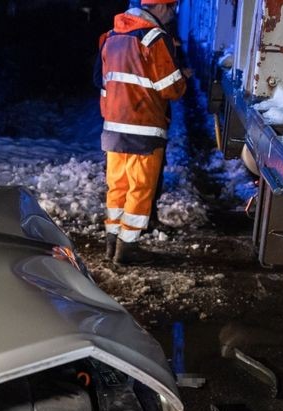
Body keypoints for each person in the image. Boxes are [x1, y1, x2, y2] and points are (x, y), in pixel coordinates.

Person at [95, 0, 186, 264]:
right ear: (158, 8)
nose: (171, 14)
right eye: (170, 8)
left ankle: (112, 243)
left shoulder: (111, 37)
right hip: (144, 126)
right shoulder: (154, 38)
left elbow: (104, 83)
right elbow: (171, 88)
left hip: (113, 126)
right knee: (140, 188)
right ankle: (129, 249)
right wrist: (184, 79)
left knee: (117, 187)